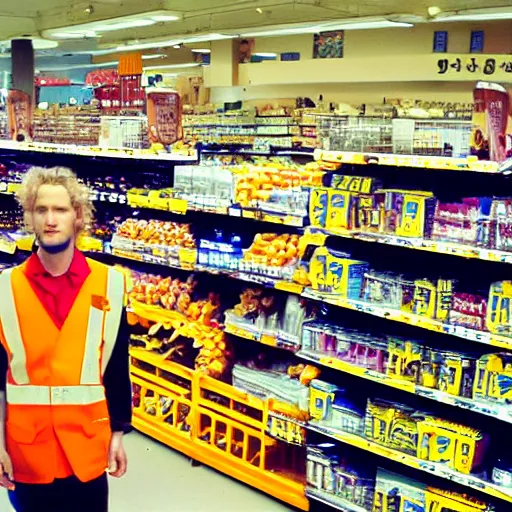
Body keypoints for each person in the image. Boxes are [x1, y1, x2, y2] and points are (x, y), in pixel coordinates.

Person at [0, 166, 132, 512]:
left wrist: (118, 433)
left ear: (78, 216)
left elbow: (117, 367)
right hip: (27, 453)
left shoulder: (110, 285)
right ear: (29, 216)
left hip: (86, 450)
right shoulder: (5, 289)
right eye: (41, 209)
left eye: (60, 209)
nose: (50, 219)